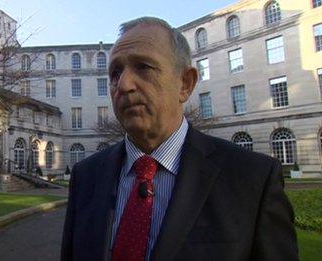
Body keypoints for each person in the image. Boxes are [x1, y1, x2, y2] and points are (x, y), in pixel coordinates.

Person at [61, 17, 298, 261]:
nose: (123, 84)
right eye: (115, 72)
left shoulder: (252, 178)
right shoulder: (86, 176)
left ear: (185, 83)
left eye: (143, 66)